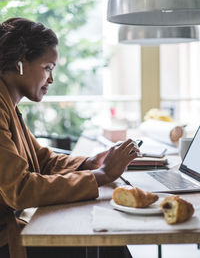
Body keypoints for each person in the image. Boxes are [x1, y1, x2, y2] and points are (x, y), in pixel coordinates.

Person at [0, 17, 140, 258]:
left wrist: (90, 163)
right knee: (107, 245)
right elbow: (20, 190)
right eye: (48, 68)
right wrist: (101, 175)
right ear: (20, 63)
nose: (51, 80)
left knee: (108, 242)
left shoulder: (8, 106)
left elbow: (43, 162)